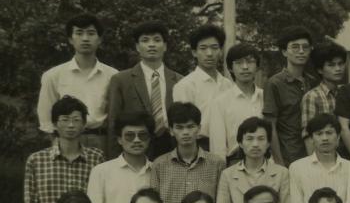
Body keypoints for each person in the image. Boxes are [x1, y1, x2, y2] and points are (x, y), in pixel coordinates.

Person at [24, 96, 105, 203]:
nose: (71, 125)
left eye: (76, 120)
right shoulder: (36, 160)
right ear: (55, 124)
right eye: (65, 120)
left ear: (84, 124)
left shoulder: (96, 158)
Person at [37, 14, 117, 154]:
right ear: (70, 39)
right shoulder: (53, 75)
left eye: (91, 33)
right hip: (65, 141)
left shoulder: (113, 75)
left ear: (99, 39)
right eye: (79, 33)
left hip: (101, 139)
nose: (85, 38)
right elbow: (46, 117)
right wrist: (56, 143)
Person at [106, 21, 183, 158]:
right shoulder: (121, 80)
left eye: (157, 40)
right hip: (135, 148)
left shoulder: (180, 80)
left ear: (165, 46)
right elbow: (113, 122)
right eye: (145, 40)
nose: (151, 45)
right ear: (137, 46)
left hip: (172, 148)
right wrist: (114, 159)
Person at [150, 102, 226, 203]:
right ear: (171, 130)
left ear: (199, 128)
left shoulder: (217, 164)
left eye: (190, 126)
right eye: (179, 127)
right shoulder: (159, 165)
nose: (185, 132)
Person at [216, 117, 291, 203]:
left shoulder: (282, 173)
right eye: (249, 139)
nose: (255, 144)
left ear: (268, 143)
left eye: (261, 139)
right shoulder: (228, 175)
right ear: (240, 143)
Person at [87, 113, 154, 203]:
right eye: (129, 136)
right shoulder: (101, 172)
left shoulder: (157, 171)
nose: (136, 140)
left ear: (149, 138)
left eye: (142, 135)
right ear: (119, 139)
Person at [173, 24, 233, 151]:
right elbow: (182, 125)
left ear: (221, 51)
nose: (209, 53)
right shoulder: (185, 85)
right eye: (203, 48)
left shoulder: (228, 84)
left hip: (228, 146)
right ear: (194, 52)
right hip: (199, 147)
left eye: (214, 48)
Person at [264, 26, 316, 167]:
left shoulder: (312, 82)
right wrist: (279, 163)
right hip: (288, 158)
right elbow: (270, 126)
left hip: (313, 156)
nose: (301, 51)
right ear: (284, 51)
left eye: (305, 47)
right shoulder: (275, 83)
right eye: (295, 47)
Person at [290, 113, 350, 203]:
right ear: (311, 139)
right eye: (319, 134)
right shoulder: (297, 168)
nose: (325, 138)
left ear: (338, 136)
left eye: (329, 133)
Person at [208, 43, 264, 160]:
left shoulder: (265, 97)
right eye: (238, 63)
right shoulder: (220, 102)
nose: (245, 67)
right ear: (230, 68)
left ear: (257, 66)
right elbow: (218, 147)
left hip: (266, 161)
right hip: (236, 161)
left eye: (250, 62)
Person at [300, 41, 348, 153]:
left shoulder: (346, 92)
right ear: (320, 69)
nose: (338, 68)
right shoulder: (312, 97)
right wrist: (314, 161)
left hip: (347, 157)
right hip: (324, 157)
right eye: (331, 65)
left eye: (340, 64)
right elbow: (308, 136)